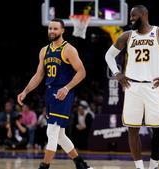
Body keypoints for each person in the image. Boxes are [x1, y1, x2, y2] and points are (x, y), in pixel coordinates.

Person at [105, 5, 159, 169]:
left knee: (158, 129)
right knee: (133, 130)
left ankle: (153, 166)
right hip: (132, 87)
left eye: (134, 16)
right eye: (130, 16)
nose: (131, 19)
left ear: (144, 14)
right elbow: (109, 55)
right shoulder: (127, 36)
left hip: (152, 86)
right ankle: (139, 167)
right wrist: (117, 73)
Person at [17, 18, 92, 169]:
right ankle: (80, 164)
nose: (52, 31)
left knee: (51, 131)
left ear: (62, 31)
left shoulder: (68, 49)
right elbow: (39, 75)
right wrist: (25, 91)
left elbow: (82, 72)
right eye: (50, 28)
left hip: (63, 93)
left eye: (55, 29)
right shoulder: (44, 50)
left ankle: (44, 166)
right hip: (50, 93)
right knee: (59, 135)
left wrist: (67, 88)